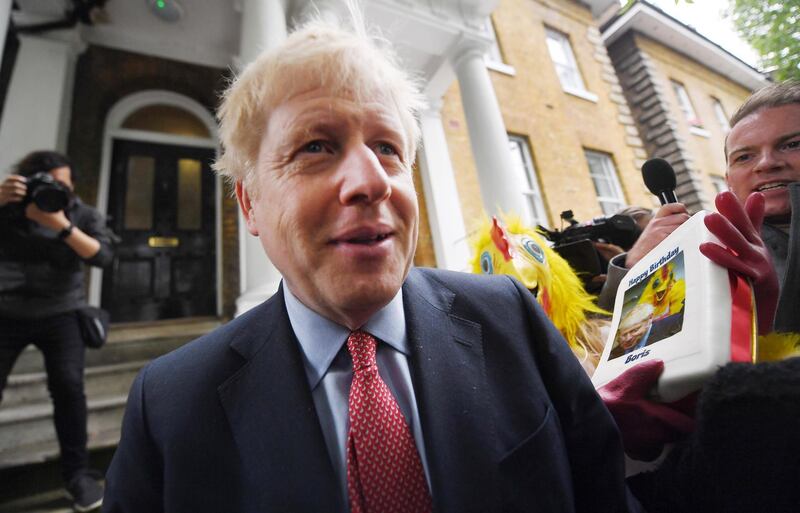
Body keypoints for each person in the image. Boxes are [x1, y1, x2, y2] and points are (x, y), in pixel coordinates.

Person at [102, 16, 641, 513]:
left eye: (387, 148)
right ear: (249, 204)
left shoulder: (509, 314)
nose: (372, 181)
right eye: (316, 146)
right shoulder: (169, 405)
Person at [600, 81, 800, 510]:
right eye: (745, 156)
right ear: (728, 178)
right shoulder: (705, 246)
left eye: (792, 144)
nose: (766, 163)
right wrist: (635, 269)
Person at [0, 151, 113, 512]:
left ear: (72, 185)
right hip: (6, 310)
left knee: (67, 387)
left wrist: (59, 225)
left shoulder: (80, 213)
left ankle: (78, 476)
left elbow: (102, 256)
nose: (56, 189)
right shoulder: (8, 207)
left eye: (63, 184)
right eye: (46, 183)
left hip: (62, 313)